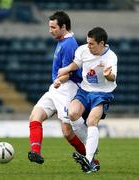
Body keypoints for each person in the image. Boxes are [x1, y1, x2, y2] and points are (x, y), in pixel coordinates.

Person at [28, 11, 88, 165]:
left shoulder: (69, 44)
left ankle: (91, 157)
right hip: (56, 88)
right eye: (50, 27)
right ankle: (35, 152)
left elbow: (70, 72)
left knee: (67, 132)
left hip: (67, 88)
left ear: (63, 27)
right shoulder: (62, 42)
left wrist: (59, 80)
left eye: (53, 27)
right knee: (35, 116)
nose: (50, 30)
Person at [58, 27, 117, 173]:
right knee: (72, 114)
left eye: (92, 44)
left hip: (102, 93)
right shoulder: (83, 50)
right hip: (85, 90)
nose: (88, 46)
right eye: (88, 42)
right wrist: (66, 69)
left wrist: (108, 75)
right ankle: (90, 145)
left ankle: (88, 158)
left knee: (92, 122)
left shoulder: (111, 57)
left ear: (102, 43)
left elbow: (113, 77)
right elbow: (76, 64)